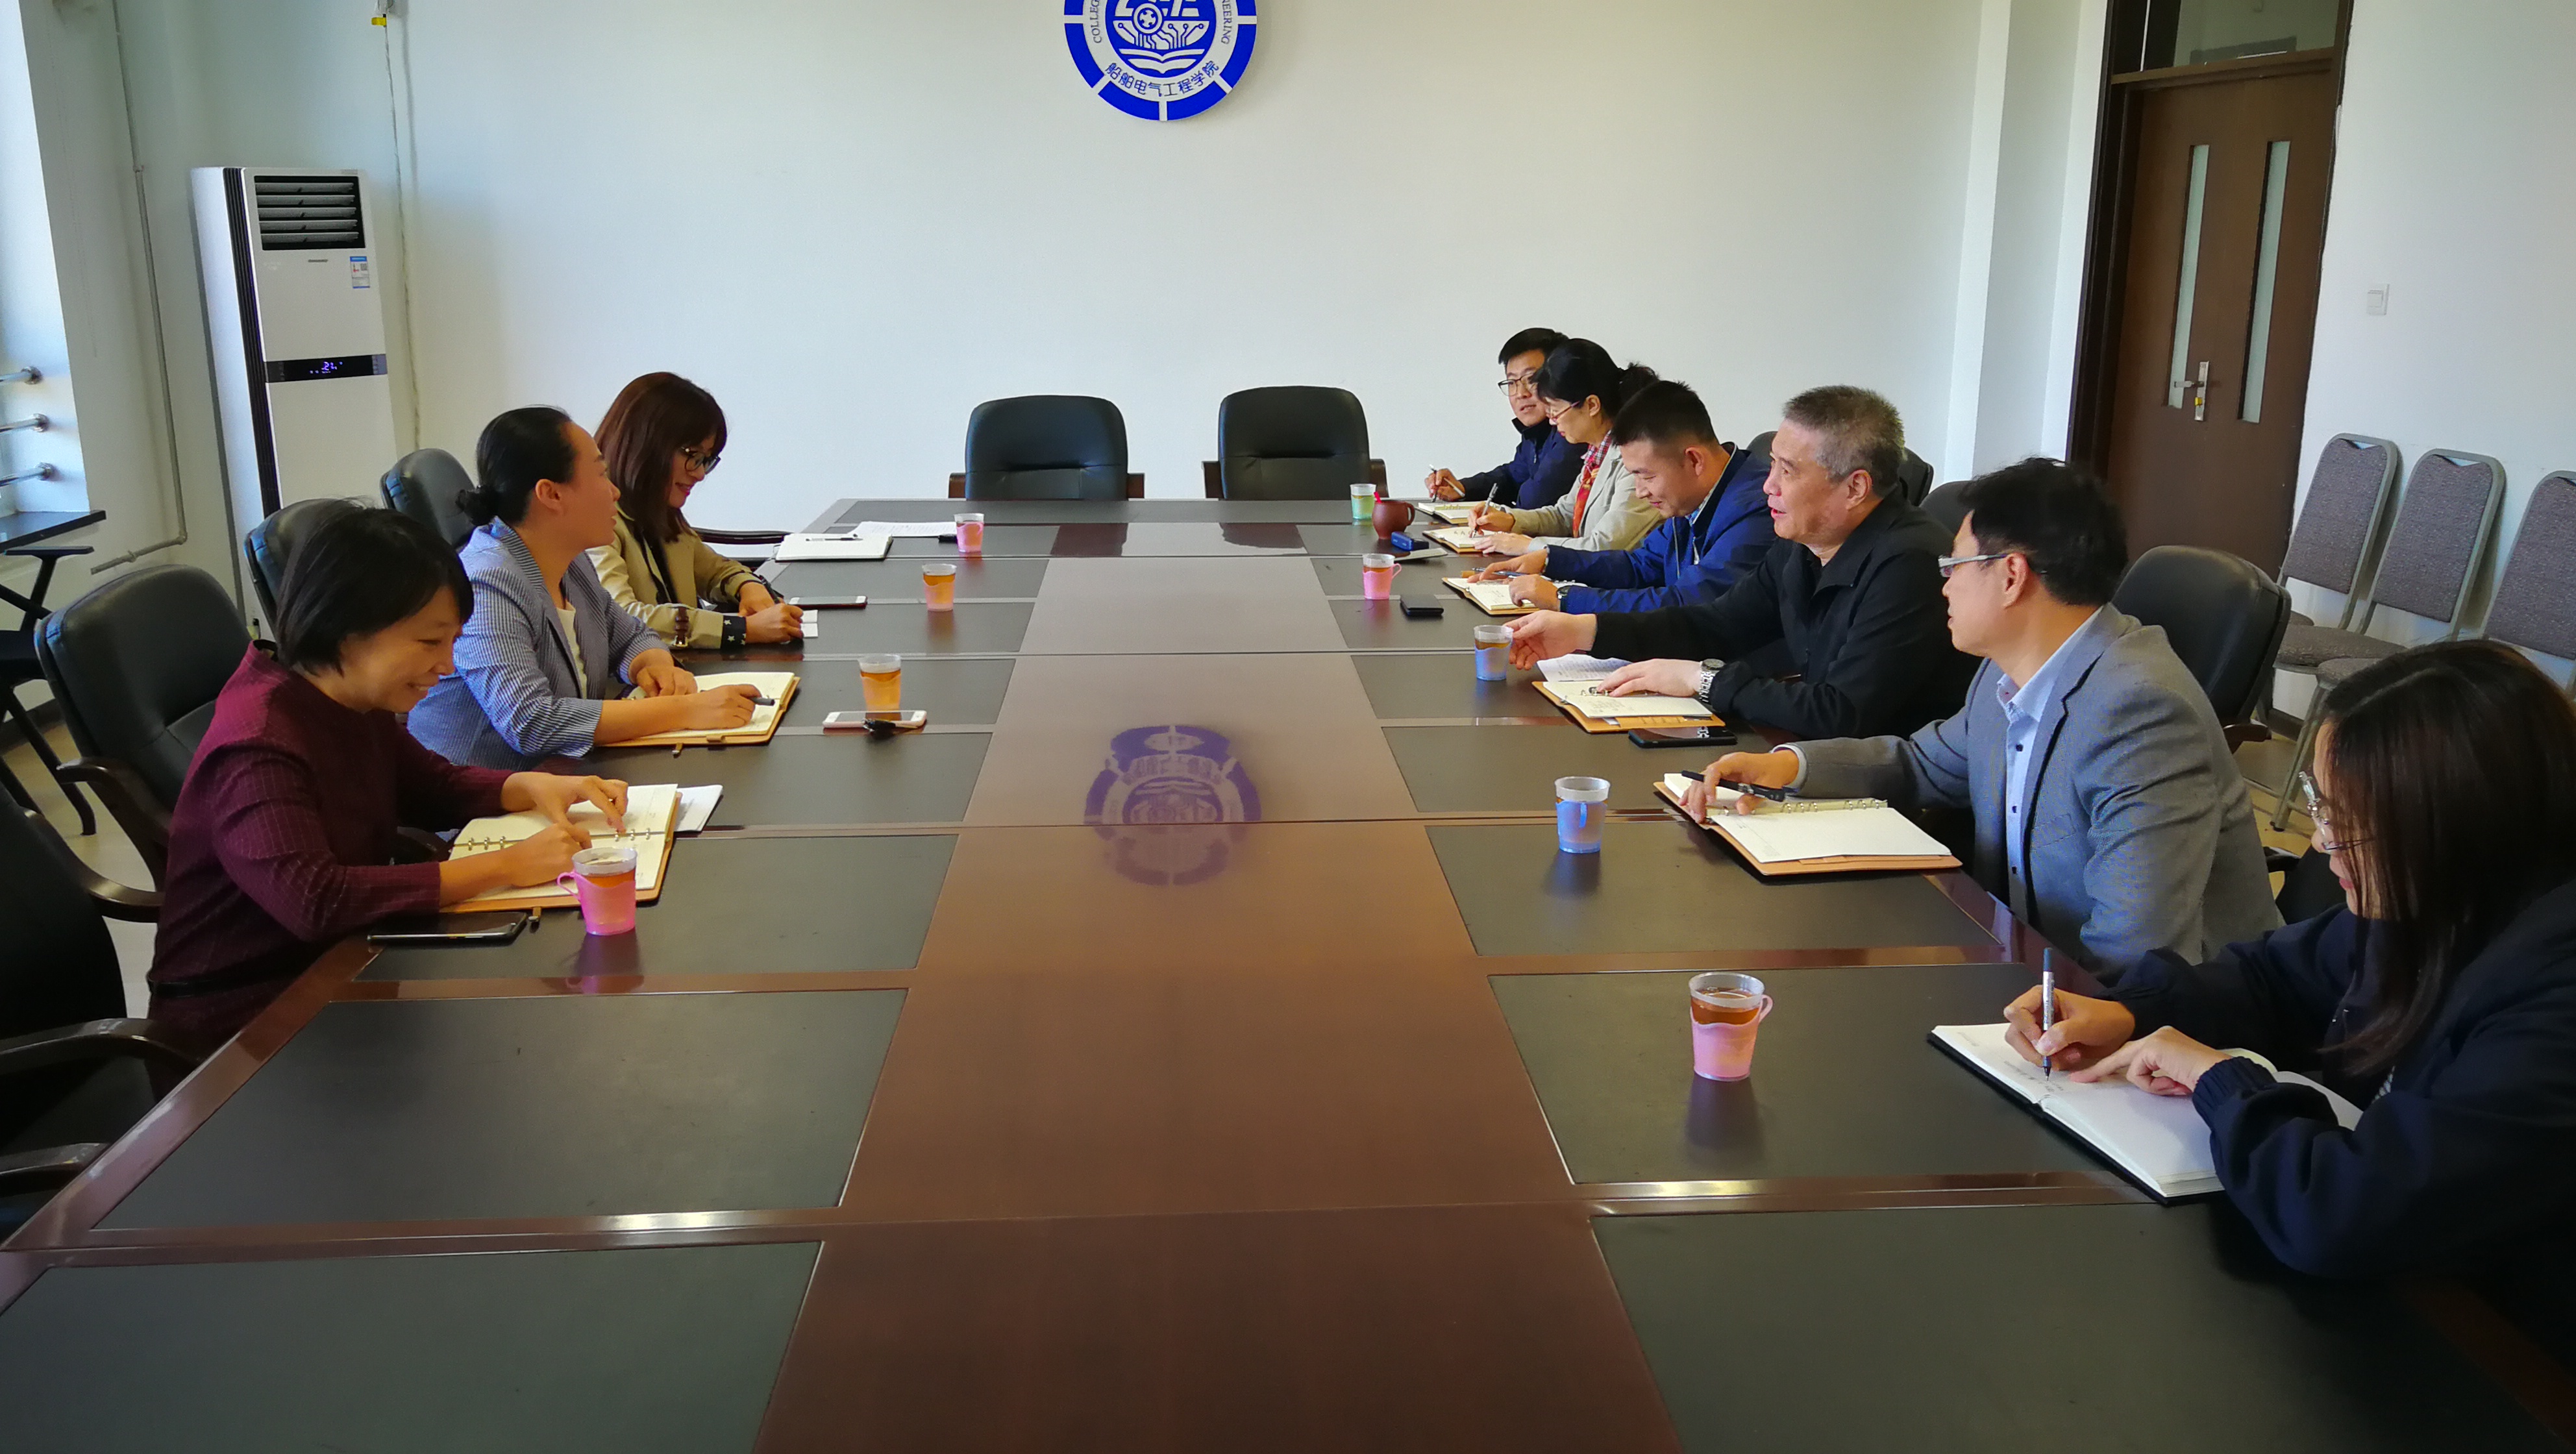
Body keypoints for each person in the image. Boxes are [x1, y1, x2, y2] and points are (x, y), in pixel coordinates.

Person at [2003, 642, 2576, 1357]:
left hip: (2506, 1351)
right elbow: (2272, 976)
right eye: (2321, 807)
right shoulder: (2443, 894)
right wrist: (2132, 1012)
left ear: (2461, 824)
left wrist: (2219, 1080)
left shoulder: (2553, 992)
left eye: (2351, 822)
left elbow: (2343, 1212)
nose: (2324, 845)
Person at [1691, 459, 2278, 979]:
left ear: (2011, 575)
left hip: (2149, 1021)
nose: (1943, 585)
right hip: (2026, 966)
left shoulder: (2140, 712)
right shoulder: (2008, 672)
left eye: (1954, 565)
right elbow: (1920, 764)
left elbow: (2137, 952)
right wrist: (1786, 767)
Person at [149, 506, 628, 1042]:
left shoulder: (349, 699)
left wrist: (533, 786)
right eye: (429, 642)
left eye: (452, 641)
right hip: (247, 1021)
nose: (447, 665)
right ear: (346, 629)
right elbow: (315, 901)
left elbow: (433, 786)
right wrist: (506, 865)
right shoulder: (258, 741)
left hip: (345, 964)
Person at [1506, 385, 1972, 739]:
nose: (1768, 485)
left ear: (1855, 488)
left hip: (1888, 793)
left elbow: (1843, 713)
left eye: (1787, 471)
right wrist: (1586, 631)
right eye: (1773, 465)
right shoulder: (1804, 542)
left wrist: (1702, 678)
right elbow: (1717, 623)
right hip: (1815, 753)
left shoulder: (1909, 564)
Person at [408, 406, 762, 770]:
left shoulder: (571, 561)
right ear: (551, 494)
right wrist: (683, 710)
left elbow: (630, 634)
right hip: (482, 797)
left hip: (568, 777)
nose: (614, 492)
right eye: (601, 474)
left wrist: (652, 665)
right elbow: (531, 722)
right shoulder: (488, 583)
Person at [1468, 379, 1773, 612]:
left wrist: (1564, 598)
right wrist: (1550, 561)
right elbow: (1640, 565)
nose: (1640, 491)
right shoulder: (1695, 498)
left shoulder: (1756, 511)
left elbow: (1687, 603)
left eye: (1647, 476)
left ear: (1694, 460)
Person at [589, 371, 802, 650]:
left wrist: (748, 587)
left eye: (707, 460)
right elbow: (625, 619)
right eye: (694, 456)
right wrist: (742, 630)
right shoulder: (593, 522)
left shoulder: (659, 512)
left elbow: (715, 570)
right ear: (646, 444)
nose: (700, 474)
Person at [1461, 339, 1662, 557]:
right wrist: (1510, 520)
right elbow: (1564, 515)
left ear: (1592, 405)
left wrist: (1527, 546)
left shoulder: (1635, 462)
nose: (1552, 422)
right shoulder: (1596, 454)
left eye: (1556, 411)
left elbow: (1604, 546)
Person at [1425, 327, 1584, 509]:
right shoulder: (1535, 433)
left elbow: (1535, 501)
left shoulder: (1573, 432)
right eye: (1511, 383)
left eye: (1532, 379)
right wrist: (1462, 488)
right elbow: (1512, 478)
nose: (1520, 393)